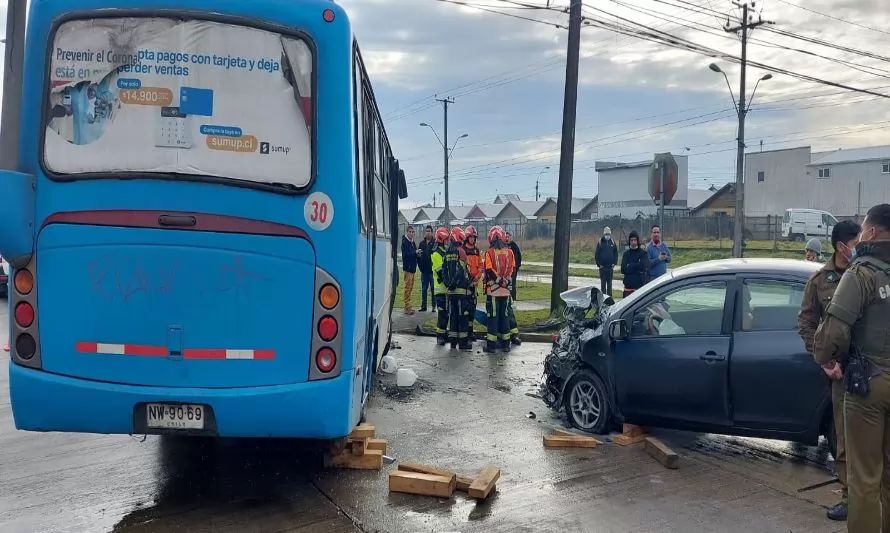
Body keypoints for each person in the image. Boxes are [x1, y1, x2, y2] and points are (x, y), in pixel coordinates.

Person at [814, 204, 890, 533]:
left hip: (869, 385)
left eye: (861, 230)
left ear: (871, 232)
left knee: (864, 477)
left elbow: (831, 335)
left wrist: (828, 358)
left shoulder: (861, 272)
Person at [797, 219, 862, 522]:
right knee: (846, 441)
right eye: (855, 244)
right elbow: (807, 324)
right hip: (841, 373)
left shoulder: (866, 275)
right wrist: (824, 361)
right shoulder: (820, 281)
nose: (859, 249)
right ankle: (850, 499)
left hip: (872, 368)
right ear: (841, 246)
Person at [483, 226, 515, 353]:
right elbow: (512, 269)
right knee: (504, 316)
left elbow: (489, 270)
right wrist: (506, 281)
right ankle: (506, 344)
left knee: (493, 317)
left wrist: (498, 281)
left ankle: (491, 344)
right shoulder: (510, 252)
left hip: (494, 291)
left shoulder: (489, 252)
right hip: (506, 291)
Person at [440, 227, 471, 350]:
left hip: (451, 292)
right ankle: (462, 343)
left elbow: (444, 270)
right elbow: (460, 271)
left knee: (453, 317)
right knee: (462, 316)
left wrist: (448, 284)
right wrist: (453, 284)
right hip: (460, 291)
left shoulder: (447, 252)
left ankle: (453, 342)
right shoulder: (461, 251)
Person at [430, 227, 450, 345]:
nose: (447, 241)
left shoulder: (445, 251)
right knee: (442, 313)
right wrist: (448, 284)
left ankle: (443, 334)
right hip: (440, 289)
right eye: (446, 239)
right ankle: (440, 336)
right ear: (441, 239)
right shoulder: (436, 253)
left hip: (445, 289)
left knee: (446, 313)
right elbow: (441, 272)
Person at [463, 225, 483, 343]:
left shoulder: (476, 250)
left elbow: (480, 266)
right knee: (465, 310)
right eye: (471, 237)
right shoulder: (463, 250)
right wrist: (468, 279)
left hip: (474, 284)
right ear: (467, 237)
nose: (473, 239)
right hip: (466, 285)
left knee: (472, 310)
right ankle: (465, 332)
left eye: (474, 237)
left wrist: (477, 277)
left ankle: (470, 331)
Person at [621, 230, 650, 298]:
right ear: (629, 241)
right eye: (631, 240)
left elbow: (643, 266)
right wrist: (637, 264)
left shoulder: (643, 253)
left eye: (635, 240)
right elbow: (623, 269)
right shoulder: (626, 254)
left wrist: (629, 265)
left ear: (637, 240)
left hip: (640, 289)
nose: (633, 242)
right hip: (628, 289)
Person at [595, 226, 618, 297]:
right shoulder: (600, 242)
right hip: (602, 268)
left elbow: (615, 253)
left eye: (608, 234)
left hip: (610, 267)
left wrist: (614, 263)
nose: (607, 235)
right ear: (604, 234)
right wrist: (599, 264)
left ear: (610, 234)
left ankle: (609, 299)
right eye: (606, 234)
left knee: (609, 285)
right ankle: (603, 299)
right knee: (603, 285)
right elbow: (597, 254)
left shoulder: (613, 242)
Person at [418, 225, 436, 312]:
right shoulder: (422, 243)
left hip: (432, 271)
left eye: (429, 231)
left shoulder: (435, 243)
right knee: (424, 289)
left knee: (433, 289)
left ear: (432, 232)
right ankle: (423, 306)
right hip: (424, 271)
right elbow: (418, 256)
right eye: (426, 231)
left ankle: (433, 306)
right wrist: (420, 267)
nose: (427, 232)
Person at [400, 226, 418, 315]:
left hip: (413, 268)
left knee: (410, 288)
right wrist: (415, 253)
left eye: (412, 232)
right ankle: (406, 307)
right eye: (410, 232)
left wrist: (417, 254)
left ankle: (409, 306)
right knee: (407, 288)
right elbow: (406, 255)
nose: (411, 233)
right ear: (407, 232)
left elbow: (413, 254)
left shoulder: (412, 242)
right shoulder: (405, 243)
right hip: (408, 268)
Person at [504, 230, 522, 300]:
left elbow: (519, 258)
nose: (507, 238)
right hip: (505, 272)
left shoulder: (514, 246)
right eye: (506, 237)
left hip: (513, 271)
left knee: (512, 286)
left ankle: (513, 300)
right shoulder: (502, 246)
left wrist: (516, 268)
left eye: (508, 237)